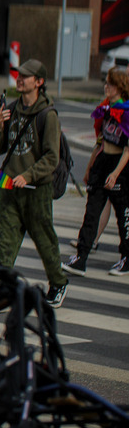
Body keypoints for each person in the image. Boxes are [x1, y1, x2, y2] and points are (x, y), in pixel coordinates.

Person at [0, 58, 68, 311]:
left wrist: (28, 176)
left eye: (25, 76)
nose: (19, 79)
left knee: (44, 240)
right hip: (9, 187)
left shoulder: (47, 115)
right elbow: (0, 149)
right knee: (5, 243)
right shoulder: (11, 109)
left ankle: (58, 283)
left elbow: (51, 157)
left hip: (36, 190)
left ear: (39, 82)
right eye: (19, 75)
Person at [63, 68, 129, 276]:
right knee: (91, 211)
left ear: (120, 87)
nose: (106, 87)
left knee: (123, 214)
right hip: (102, 163)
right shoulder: (106, 110)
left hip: (118, 166)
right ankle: (81, 257)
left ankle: (126, 257)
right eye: (106, 83)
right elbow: (100, 141)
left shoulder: (126, 112)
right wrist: (90, 167)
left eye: (110, 84)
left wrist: (116, 174)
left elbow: (128, 150)